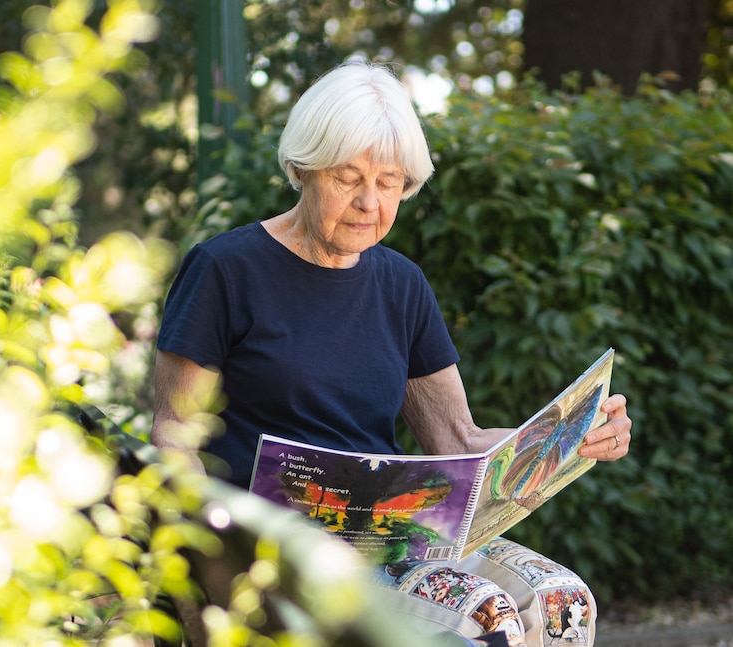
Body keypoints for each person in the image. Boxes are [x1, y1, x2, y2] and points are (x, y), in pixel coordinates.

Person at [151, 61, 632, 647]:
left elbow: (457, 440)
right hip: (276, 547)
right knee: (484, 615)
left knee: (564, 602)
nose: (368, 202)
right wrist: (207, 558)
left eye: (388, 182)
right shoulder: (225, 270)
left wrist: (571, 437)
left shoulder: (402, 285)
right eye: (347, 177)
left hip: (394, 532)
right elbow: (175, 431)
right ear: (304, 168)